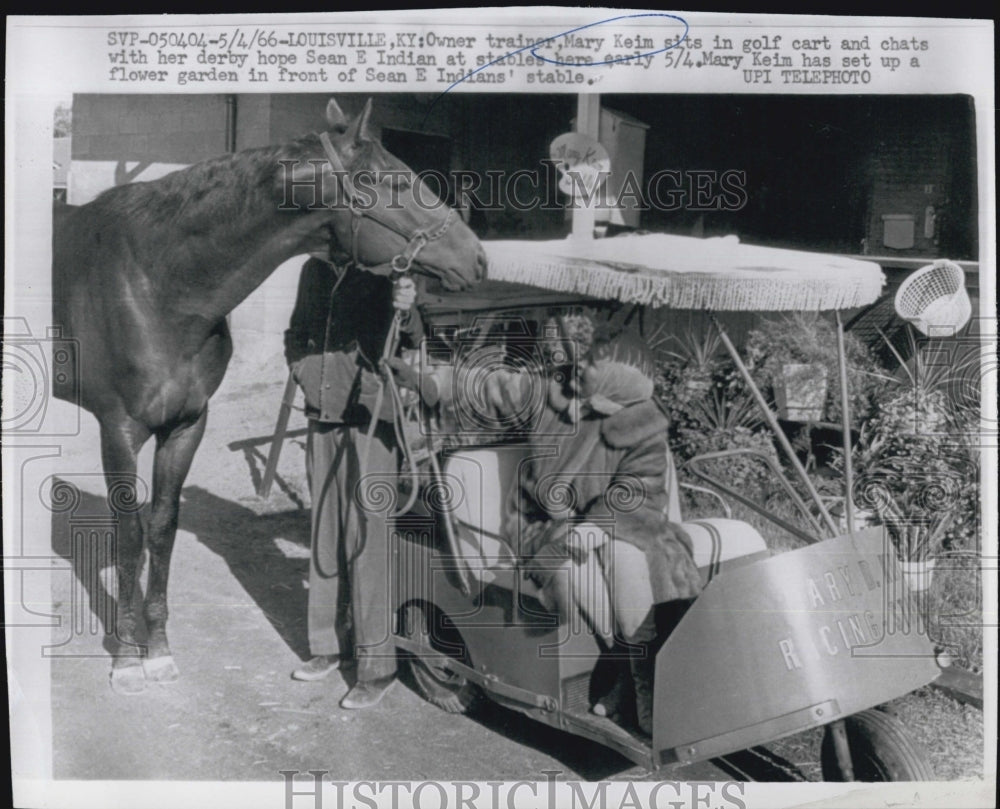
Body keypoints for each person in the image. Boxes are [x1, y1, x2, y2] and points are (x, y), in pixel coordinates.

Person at [391, 319, 701, 734]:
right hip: (545, 523)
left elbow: (642, 487)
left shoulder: (642, 420)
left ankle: (638, 685)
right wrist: (426, 382)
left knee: (627, 558)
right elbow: (488, 387)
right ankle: (625, 676)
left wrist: (598, 525)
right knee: (572, 571)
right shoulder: (549, 393)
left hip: (624, 521)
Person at [284, 257, 419, 709]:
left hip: (369, 421)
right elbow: (295, 334)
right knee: (324, 536)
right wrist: (305, 376)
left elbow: (415, 338)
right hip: (322, 418)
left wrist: (409, 305)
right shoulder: (314, 270)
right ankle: (327, 646)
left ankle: (376, 668)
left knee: (367, 541)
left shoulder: (387, 271)